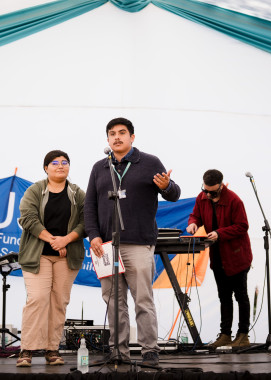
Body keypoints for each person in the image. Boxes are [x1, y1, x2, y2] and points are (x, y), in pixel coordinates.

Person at [84, 117, 181, 366]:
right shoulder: (99, 167)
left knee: (142, 300)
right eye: (112, 134)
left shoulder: (149, 162)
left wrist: (167, 185)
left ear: (132, 137)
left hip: (138, 242)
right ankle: (118, 351)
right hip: (105, 246)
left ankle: (150, 350)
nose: (117, 137)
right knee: (114, 302)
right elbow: (90, 206)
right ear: (107, 139)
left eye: (122, 133)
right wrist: (93, 234)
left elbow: (173, 194)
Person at [17, 150, 85, 367]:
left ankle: (52, 349)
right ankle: (26, 349)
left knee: (59, 302)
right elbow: (28, 218)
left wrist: (65, 241)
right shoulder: (35, 190)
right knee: (37, 299)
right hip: (38, 255)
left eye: (65, 162)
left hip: (67, 256)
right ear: (46, 167)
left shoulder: (77, 193)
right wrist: (53, 240)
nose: (60, 166)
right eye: (54, 163)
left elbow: (85, 223)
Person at [186, 169, 252, 349]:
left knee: (241, 296)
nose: (208, 195)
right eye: (205, 190)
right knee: (224, 297)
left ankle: (243, 335)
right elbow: (196, 215)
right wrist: (193, 222)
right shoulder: (202, 197)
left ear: (221, 186)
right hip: (218, 256)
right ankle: (225, 335)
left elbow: (242, 226)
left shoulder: (234, 200)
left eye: (212, 192)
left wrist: (219, 233)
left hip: (237, 256)